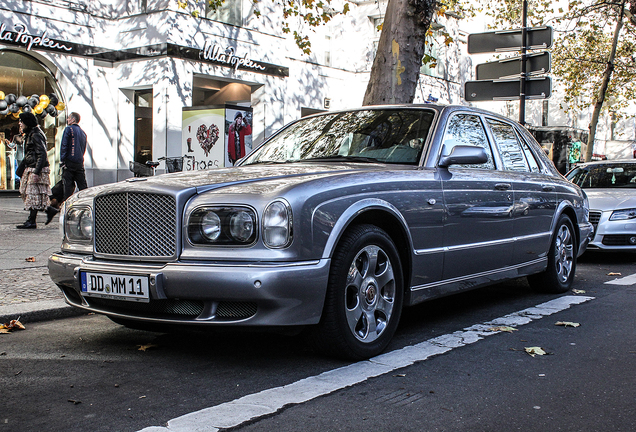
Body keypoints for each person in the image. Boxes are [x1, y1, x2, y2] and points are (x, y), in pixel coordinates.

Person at [15, 112, 51, 229]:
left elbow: (42, 154)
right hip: (31, 166)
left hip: (35, 168)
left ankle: (32, 220)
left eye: (22, 121)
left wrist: (36, 172)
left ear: (27, 122)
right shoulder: (31, 133)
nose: (20, 123)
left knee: (32, 193)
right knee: (26, 191)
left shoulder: (36, 135)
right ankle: (32, 219)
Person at [60, 112, 88, 200]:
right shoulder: (83, 133)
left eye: (68, 118)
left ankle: (67, 206)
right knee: (82, 185)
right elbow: (83, 148)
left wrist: (62, 160)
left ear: (73, 119)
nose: (67, 120)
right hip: (79, 162)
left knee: (68, 186)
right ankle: (85, 202)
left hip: (69, 161)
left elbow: (64, 145)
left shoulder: (69, 129)